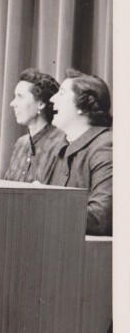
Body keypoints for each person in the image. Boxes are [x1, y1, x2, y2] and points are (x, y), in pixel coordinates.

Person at [44, 69, 112, 236]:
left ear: (83, 105)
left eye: (61, 94)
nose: (52, 99)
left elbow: (99, 218)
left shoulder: (106, 147)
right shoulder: (58, 146)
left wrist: (43, 202)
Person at [3, 68, 63, 183]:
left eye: (20, 96)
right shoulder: (20, 144)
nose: (12, 103)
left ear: (40, 103)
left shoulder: (61, 144)